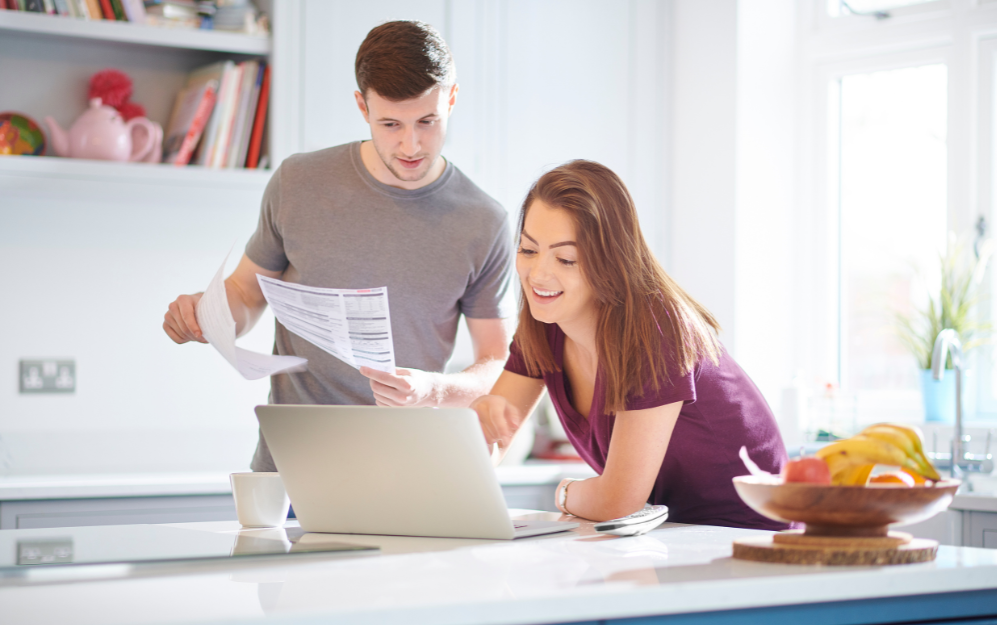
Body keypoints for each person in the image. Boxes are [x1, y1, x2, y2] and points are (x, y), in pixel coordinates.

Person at [163, 21, 515, 472]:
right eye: (390, 124)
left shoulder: (484, 222)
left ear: (451, 99)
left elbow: (496, 362)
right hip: (293, 464)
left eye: (428, 122)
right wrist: (205, 314)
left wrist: (433, 390)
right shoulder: (298, 182)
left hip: (405, 469)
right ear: (361, 106)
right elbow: (248, 295)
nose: (411, 144)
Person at [471, 160, 791, 530]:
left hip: (745, 536)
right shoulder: (546, 323)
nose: (538, 274)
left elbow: (618, 500)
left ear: (610, 261)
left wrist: (564, 493)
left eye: (566, 258)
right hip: (669, 535)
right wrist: (479, 427)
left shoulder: (654, 329)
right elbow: (486, 453)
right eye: (528, 250)